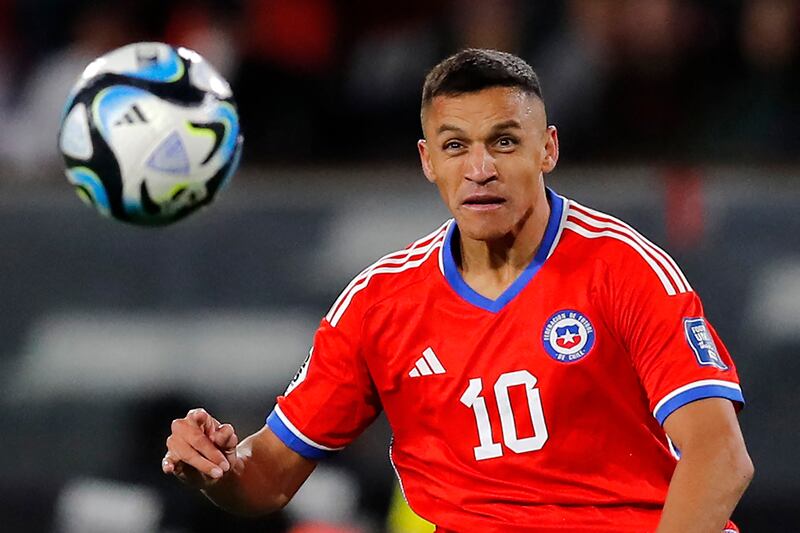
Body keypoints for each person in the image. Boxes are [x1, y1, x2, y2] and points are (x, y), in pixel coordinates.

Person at [163, 48, 753, 532]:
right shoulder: (379, 305)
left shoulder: (623, 268)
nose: (480, 168)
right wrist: (221, 470)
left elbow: (719, 457)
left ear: (547, 148)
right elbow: (267, 479)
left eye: (503, 141)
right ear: (427, 161)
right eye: (455, 146)